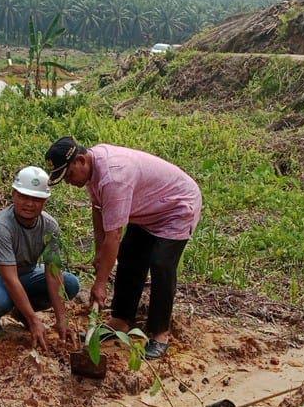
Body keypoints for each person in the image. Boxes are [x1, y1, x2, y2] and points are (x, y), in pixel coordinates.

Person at [46, 137, 201, 360]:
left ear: (80, 160)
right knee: (130, 255)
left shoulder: (113, 177)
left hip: (175, 207)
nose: (69, 182)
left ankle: (159, 333)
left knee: (161, 264)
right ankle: (121, 320)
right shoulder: (92, 167)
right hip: (146, 207)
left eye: (69, 175)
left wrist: (100, 283)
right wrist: (99, 250)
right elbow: (98, 208)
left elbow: (114, 235)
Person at [0, 166, 80, 351]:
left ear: (45, 200)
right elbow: (9, 278)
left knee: (70, 284)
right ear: (14, 195)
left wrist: (62, 320)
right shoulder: (0, 226)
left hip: (25, 273)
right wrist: (34, 321)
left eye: (36, 199)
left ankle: (21, 311)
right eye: (24, 197)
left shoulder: (50, 226)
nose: (29, 204)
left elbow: (53, 274)